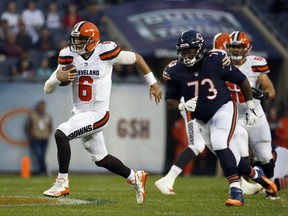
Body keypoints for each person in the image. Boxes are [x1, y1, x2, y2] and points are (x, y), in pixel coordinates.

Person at [43, 21, 162, 205]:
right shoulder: (67, 55)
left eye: (81, 39)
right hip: (80, 114)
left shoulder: (105, 52)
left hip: (98, 114)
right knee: (101, 159)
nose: (77, 43)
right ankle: (135, 177)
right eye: (75, 39)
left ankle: (62, 182)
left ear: (92, 40)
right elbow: (47, 89)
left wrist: (153, 83)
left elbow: (137, 58)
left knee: (61, 133)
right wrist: (58, 79)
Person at [154, 29, 276, 206]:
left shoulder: (215, 59)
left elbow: (242, 80)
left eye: (191, 50)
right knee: (232, 156)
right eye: (183, 51)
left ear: (201, 48)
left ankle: (236, 192)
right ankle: (262, 180)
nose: (187, 54)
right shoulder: (174, 70)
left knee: (220, 142)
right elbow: (170, 100)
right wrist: (181, 105)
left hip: (223, 108)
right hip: (201, 118)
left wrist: (251, 108)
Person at [225, 31, 276, 199]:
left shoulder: (255, 64)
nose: (235, 50)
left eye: (238, 47)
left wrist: (263, 95)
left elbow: (270, 89)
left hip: (255, 114)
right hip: (234, 116)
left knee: (264, 155)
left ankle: (270, 188)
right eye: (232, 46)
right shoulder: (222, 64)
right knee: (240, 152)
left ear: (246, 48)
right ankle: (241, 186)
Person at [26, 100, 52, 175]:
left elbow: (50, 126)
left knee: (43, 155)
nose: (42, 108)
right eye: (41, 106)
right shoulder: (33, 115)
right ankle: (43, 170)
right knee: (38, 154)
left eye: (43, 107)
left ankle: (42, 171)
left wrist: (48, 133)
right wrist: (32, 135)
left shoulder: (47, 115)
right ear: (38, 107)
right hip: (36, 137)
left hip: (45, 137)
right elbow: (28, 127)